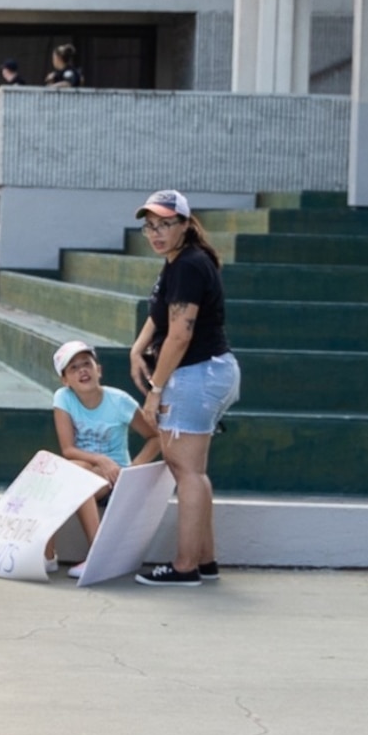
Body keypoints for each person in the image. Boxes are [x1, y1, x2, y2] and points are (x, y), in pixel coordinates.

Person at [127, 189, 239, 585]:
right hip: (204, 373)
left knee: (186, 471)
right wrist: (138, 348)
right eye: (150, 226)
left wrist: (155, 390)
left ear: (186, 226)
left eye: (165, 225)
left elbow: (179, 335)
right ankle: (204, 561)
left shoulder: (189, 265)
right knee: (193, 470)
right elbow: (160, 315)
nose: (156, 233)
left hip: (197, 374)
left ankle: (185, 566)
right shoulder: (178, 262)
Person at [52, 341, 149, 546]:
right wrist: (99, 459)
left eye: (87, 363)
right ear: (65, 380)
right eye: (74, 368)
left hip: (113, 475)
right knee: (68, 474)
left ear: (99, 370)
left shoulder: (120, 401)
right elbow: (68, 450)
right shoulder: (63, 398)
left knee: (76, 480)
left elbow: (156, 437)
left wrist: (133, 469)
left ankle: (97, 550)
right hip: (84, 467)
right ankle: (47, 556)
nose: (82, 371)